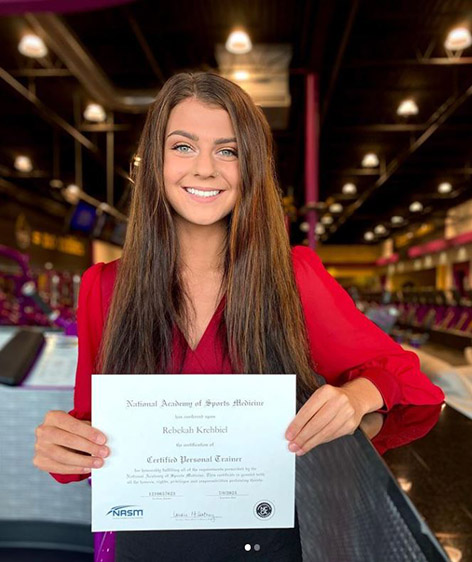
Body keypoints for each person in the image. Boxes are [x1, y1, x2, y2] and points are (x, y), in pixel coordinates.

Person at [33, 71, 444, 561]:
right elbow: (90, 432)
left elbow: (413, 388)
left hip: (263, 546)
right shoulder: (105, 287)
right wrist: (62, 445)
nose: (205, 168)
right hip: (143, 547)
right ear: (155, 162)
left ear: (251, 168)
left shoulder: (292, 277)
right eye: (183, 146)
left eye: (228, 151)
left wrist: (355, 399)